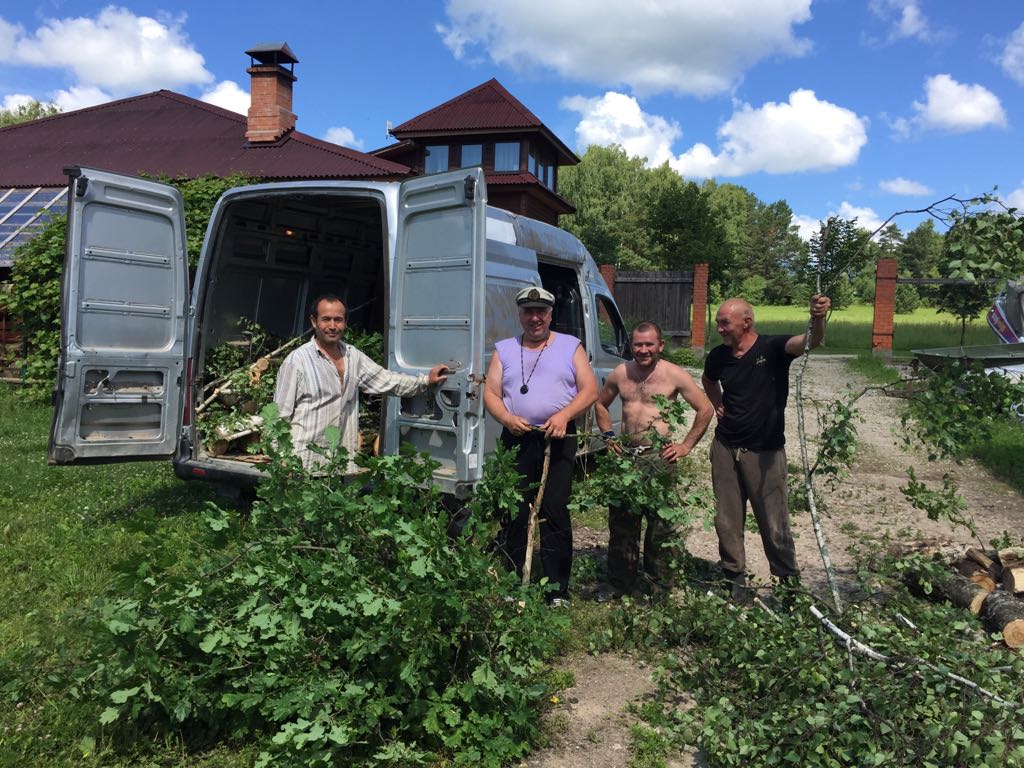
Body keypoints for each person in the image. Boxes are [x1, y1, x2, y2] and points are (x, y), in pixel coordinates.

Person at [700, 294, 831, 601]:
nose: (719, 329)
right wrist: (717, 402)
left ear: (747, 322)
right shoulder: (718, 356)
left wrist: (818, 318)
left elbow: (809, 343)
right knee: (727, 519)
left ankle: (788, 584)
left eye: (725, 323)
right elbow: (708, 381)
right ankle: (734, 579)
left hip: (765, 453)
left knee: (774, 520)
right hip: (725, 447)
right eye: (718, 322)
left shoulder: (772, 348)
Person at [483, 286, 598, 607]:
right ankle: (513, 580)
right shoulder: (504, 349)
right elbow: (490, 393)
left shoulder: (570, 346)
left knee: (554, 510)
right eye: (528, 311)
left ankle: (556, 590)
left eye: (541, 312)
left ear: (550, 314)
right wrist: (506, 418)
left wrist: (564, 415)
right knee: (515, 511)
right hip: (517, 438)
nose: (535, 318)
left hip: (557, 439)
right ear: (520, 314)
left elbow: (589, 391)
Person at [594, 321, 713, 597]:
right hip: (626, 458)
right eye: (638, 344)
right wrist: (609, 437)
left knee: (661, 527)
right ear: (631, 345)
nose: (643, 350)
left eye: (649, 344)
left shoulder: (673, 374)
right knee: (622, 523)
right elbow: (600, 403)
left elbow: (705, 409)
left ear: (660, 345)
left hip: (658, 459)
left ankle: (659, 586)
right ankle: (619, 582)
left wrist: (685, 446)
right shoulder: (621, 373)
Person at [274, 293, 449, 471]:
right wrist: (281, 460)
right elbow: (279, 415)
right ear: (313, 321)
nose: (333, 326)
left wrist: (425, 380)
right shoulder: (297, 361)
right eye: (326, 319)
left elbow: (386, 380)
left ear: (345, 322)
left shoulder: (353, 357)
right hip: (303, 463)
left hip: (338, 464)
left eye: (338, 320)